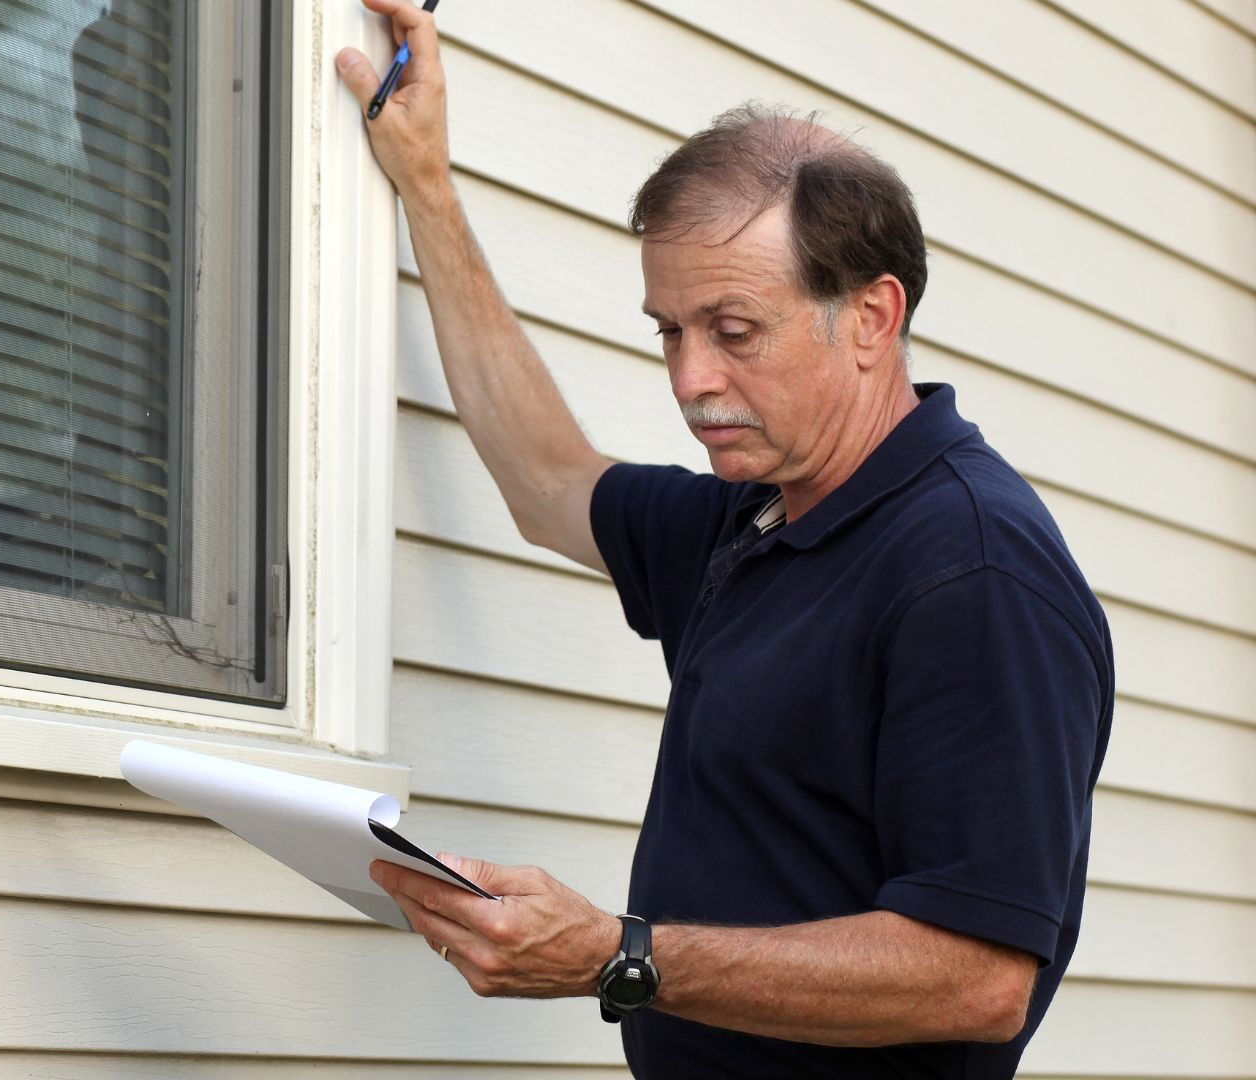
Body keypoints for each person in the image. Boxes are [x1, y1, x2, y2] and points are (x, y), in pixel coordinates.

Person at [335, 1, 1114, 1076]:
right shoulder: (753, 519)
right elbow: (548, 477)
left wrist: (624, 956)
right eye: (670, 331)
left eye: (734, 332)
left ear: (872, 319)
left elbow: (978, 975)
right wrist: (427, 184)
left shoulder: (968, 569)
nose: (693, 380)